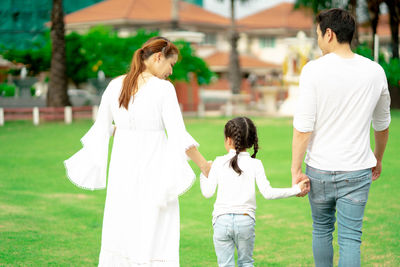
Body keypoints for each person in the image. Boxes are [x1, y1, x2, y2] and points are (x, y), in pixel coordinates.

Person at [64, 37, 211, 266]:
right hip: (153, 168)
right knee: (156, 226)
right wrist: (204, 165)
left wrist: (121, 129)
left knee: (123, 224)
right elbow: (178, 134)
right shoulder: (163, 90)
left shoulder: (115, 85)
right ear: (158, 57)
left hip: (122, 171)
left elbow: (102, 127)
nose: (171, 72)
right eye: (171, 65)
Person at [291, 9, 391, 267]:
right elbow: (382, 125)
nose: (317, 40)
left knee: (321, 230)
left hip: (319, 170)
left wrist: (295, 170)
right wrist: (377, 159)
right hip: (357, 170)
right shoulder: (375, 71)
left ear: (329, 33)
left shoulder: (312, 70)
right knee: (350, 239)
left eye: (317, 35)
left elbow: (303, 128)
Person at [200, 117, 309, 267]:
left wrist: (203, 172)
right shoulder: (255, 164)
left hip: (221, 221)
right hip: (245, 220)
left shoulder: (218, 162)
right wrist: (296, 189)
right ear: (251, 140)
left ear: (228, 140)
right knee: (246, 263)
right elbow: (268, 193)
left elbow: (207, 192)